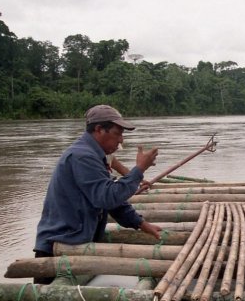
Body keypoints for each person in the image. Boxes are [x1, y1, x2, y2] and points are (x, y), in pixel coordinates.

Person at [33, 104, 162, 283]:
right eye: (118, 134)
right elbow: (107, 197)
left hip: (74, 240)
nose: (121, 140)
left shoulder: (93, 155)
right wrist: (139, 169)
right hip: (59, 244)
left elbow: (109, 199)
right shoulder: (82, 156)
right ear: (99, 130)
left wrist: (140, 223)